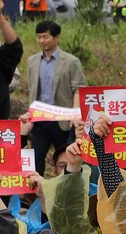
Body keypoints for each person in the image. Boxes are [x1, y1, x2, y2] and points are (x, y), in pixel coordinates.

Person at [24, 20, 86, 174]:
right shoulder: (32, 61)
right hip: (40, 119)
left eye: (45, 37)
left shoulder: (71, 62)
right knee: (36, 157)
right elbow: (32, 90)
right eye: (38, 37)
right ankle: (35, 193)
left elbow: (78, 89)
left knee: (66, 156)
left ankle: (66, 187)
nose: (41, 41)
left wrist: (75, 114)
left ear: (56, 37)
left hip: (63, 120)